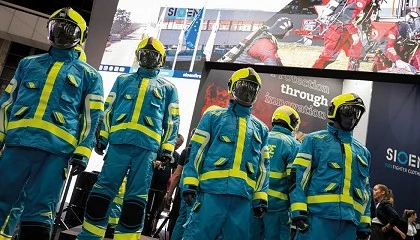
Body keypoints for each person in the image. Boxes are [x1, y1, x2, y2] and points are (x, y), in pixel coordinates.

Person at [0, 7, 103, 239]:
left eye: (68, 30)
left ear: (81, 36)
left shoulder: (90, 75)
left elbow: (90, 118)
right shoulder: (27, 64)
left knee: (39, 212)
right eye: (56, 28)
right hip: (17, 145)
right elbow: (7, 102)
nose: (61, 34)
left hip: (56, 154)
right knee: (1, 199)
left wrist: (83, 152)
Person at [76, 36, 180, 240]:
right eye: (145, 54)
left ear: (161, 59)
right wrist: (102, 138)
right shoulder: (123, 81)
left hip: (147, 150)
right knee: (102, 192)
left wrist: (167, 150)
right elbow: (108, 110)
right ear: (138, 56)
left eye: (153, 55)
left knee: (136, 200)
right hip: (118, 145)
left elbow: (172, 121)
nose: (148, 58)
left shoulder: (168, 88)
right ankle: (89, 236)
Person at [181, 67, 270, 240]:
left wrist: (260, 196)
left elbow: (263, 167)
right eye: (243, 87)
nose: (247, 93)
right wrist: (190, 181)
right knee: (197, 235)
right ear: (232, 88)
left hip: (243, 199)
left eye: (252, 89)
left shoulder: (262, 129)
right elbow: (197, 152)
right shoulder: (213, 116)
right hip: (211, 193)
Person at [289, 93, 372, 240]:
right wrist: (298, 209)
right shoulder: (314, 140)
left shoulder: (363, 152)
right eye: (348, 111)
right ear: (335, 111)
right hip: (317, 219)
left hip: (350, 224)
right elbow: (298, 175)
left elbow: (365, 191)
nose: (352, 117)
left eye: (356, 113)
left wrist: (364, 224)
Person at [249, 105, 301, 240]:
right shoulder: (294, 145)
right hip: (278, 209)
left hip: (255, 203)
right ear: (293, 123)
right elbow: (294, 181)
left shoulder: (262, 137)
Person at [312, 0, 381, 70]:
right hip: (337, 29)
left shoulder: (371, 2)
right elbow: (347, 14)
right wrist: (354, 33)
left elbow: (364, 16)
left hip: (346, 28)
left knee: (357, 54)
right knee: (328, 57)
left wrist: (371, 28)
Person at [142, 134, 184, 237]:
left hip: (162, 187)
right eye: (176, 144)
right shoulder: (159, 149)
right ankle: (142, 228)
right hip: (151, 183)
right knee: (146, 208)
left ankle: (151, 230)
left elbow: (175, 173)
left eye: (179, 146)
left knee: (156, 210)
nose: (176, 147)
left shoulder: (176, 156)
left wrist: (170, 190)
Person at [219, 17, 294, 66]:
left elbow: (277, 60)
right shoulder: (266, 44)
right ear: (282, 30)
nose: (288, 34)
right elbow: (273, 69)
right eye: (288, 31)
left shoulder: (265, 34)